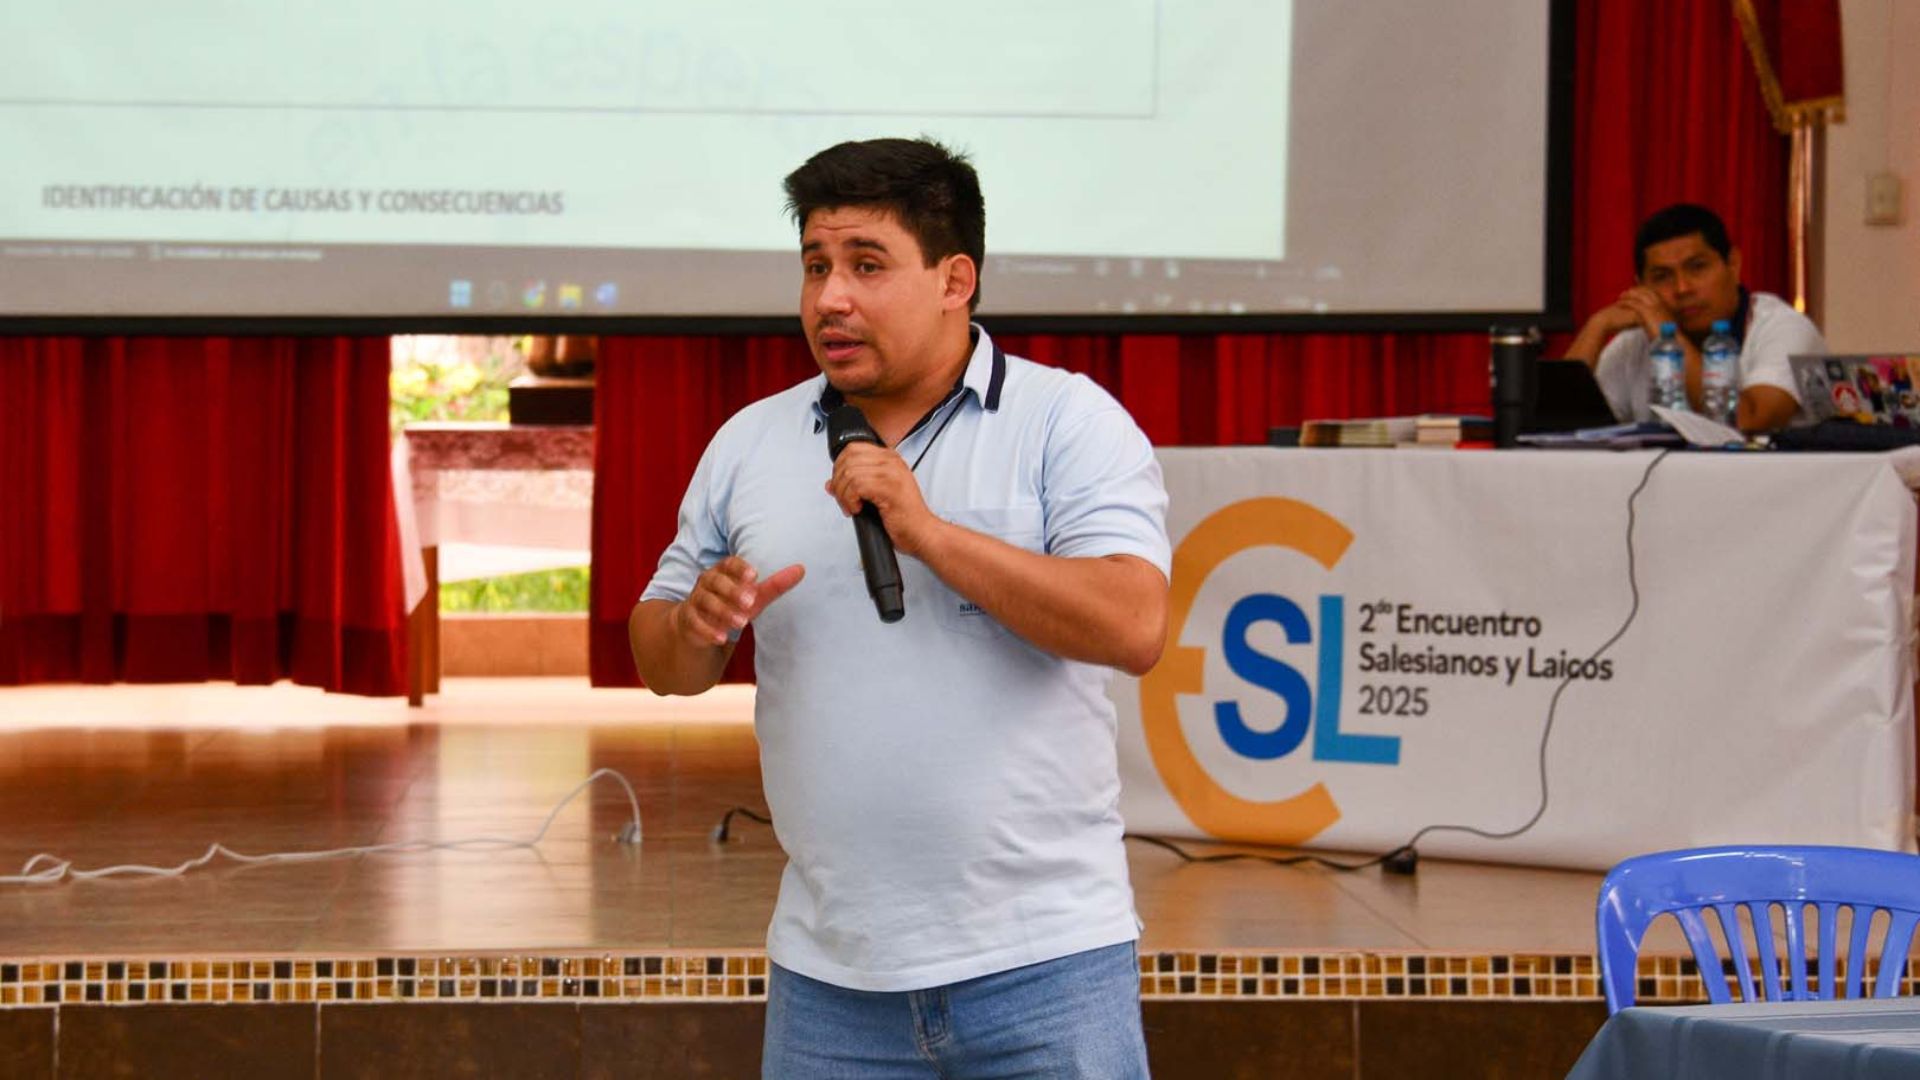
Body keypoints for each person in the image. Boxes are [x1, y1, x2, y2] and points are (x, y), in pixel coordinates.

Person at [627, 137, 1170, 1078]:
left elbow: (1134, 624)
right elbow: (662, 662)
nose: (829, 299)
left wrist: (929, 534)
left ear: (955, 280)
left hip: (1047, 966)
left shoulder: (1065, 421)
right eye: (815, 266)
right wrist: (692, 625)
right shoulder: (751, 442)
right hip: (831, 979)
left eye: (866, 266)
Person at [1564, 203, 1826, 433]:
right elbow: (1558, 423)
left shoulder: (1784, 328)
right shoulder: (1635, 342)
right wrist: (1596, 327)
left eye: (1697, 267)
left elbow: (1751, 422)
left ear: (1733, 265)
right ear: (1641, 287)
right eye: (1662, 277)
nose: (1682, 289)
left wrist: (1667, 335)